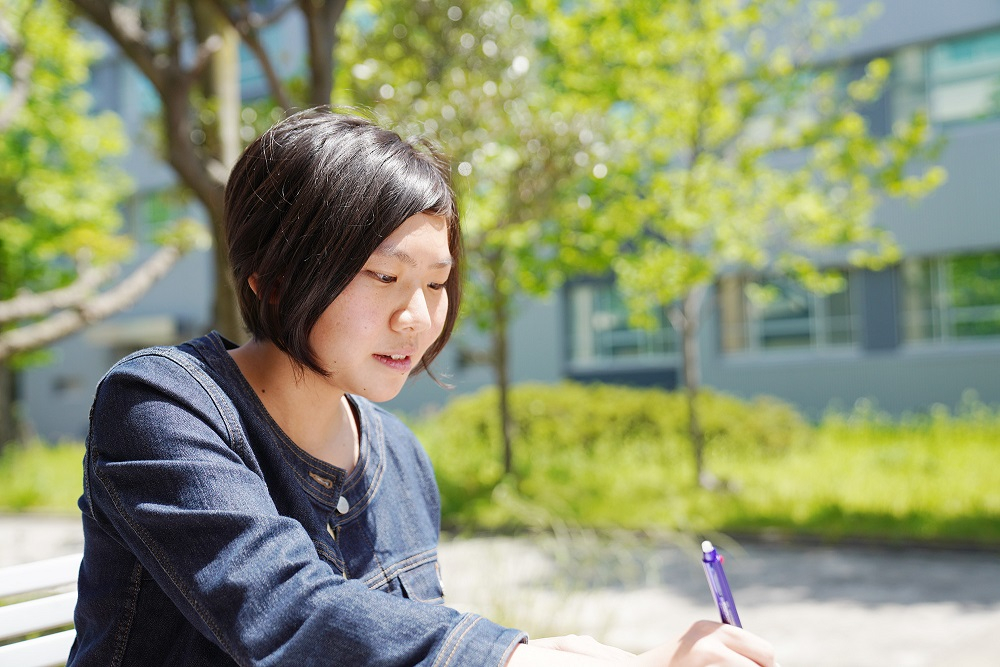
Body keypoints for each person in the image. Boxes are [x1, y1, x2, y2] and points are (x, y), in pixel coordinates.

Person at [68, 107, 775, 667]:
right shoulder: (162, 405)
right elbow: (286, 613)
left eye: (436, 283)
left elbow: (413, 643)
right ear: (274, 279)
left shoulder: (398, 455)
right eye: (385, 277)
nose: (418, 317)